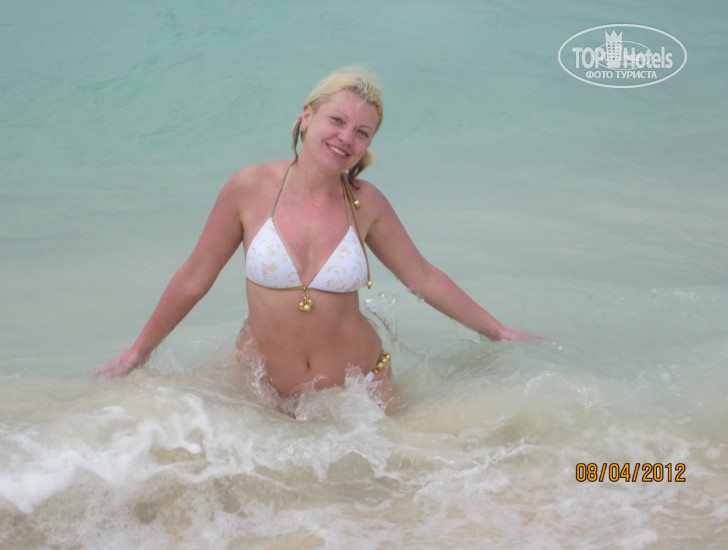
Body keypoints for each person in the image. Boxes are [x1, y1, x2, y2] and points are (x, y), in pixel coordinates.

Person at [95, 67, 544, 411]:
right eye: (337, 120)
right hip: (261, 387)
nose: (346, 138)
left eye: (362, 132)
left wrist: (497, 331)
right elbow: (195, 277)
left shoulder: (366, 204)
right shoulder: (249, 188)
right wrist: (139, 351)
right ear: (307, 116)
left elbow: (423, 278)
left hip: (359, 394)